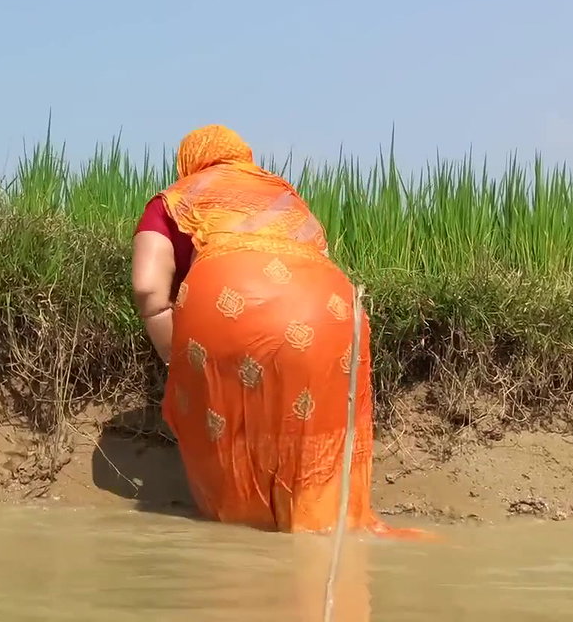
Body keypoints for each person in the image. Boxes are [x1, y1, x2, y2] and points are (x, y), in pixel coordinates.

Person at [131, 124, 420, 537]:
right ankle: (318, 529)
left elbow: (147, 286)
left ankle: (244, 534)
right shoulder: (285, 197)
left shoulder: (174, 200)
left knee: (230, 422)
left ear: (189, 163)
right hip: (332, 312)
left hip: (233, 304)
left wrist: (175, 355)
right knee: (307, 432)